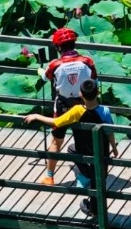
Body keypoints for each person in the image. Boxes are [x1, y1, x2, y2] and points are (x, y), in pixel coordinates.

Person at [24, 79, 118, 217]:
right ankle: (94, 204)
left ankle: (93, 207)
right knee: (98, 178)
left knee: (71, 150)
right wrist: (114, 148)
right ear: (98, 92)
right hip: (101, 152)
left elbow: (56, 122)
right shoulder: (105, 111)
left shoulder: (76, 111)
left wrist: (37, 116)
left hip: (83, 150)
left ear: (81, 94)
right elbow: (110, 132)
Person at [39, 27, 97, 185]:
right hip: (83, 105)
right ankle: (85, 175)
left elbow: (46, 77)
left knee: (56, 142)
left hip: (63, 105)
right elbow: (94, 82)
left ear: (58, 47)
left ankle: (49, 176)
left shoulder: (55, 64)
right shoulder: (87, 61)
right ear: (74, 44)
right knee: (82, 141)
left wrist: (40, 71)